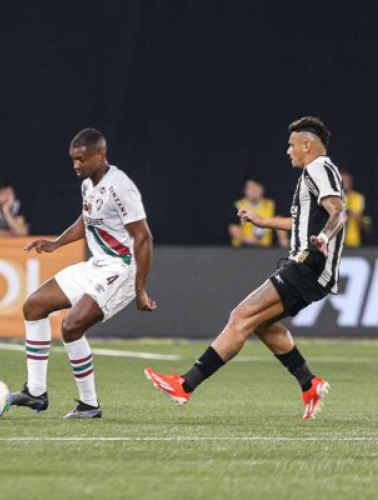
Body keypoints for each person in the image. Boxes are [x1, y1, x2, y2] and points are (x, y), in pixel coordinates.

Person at [145, 116, 346, 420]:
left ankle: (185, 385)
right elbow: (303, 222)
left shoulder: (318, 168)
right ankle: (310, 383)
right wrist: (263, 221)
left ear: (307, 144)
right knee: (262, 324)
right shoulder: (318, 171)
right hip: (308, 265)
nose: (287, 151)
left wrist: (324, 237)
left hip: (308, 264)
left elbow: (338, 212)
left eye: (291, 145)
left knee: (240, 317)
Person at [10, 128, 157, 419]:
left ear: (99, 155)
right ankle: (35, 392)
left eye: (81, 159)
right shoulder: (88, 184)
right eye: (72, 160)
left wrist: (140, 289)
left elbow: (143, 238)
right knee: (34, 306)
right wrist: (55, 244)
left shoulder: (121, 186)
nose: (76, 165)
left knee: (71, 326)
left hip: (121, 269)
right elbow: (86, 220)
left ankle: (89, 404)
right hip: (96, 265)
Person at [229, 177, 288, 248]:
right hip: (242, 249)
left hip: (265, 249)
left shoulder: (271, 204)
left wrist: (283, 239)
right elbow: (233, 228)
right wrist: (245, 240)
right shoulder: (238, 206)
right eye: (250, 188)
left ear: (262, 189)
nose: (253, 191)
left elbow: (279, 222)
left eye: (256, 188)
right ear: (245, 190)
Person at [341, 170, 371, 247]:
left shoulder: (359, 198)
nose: (345, 184)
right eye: (342, 181)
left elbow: (367, 224)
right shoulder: (332, 199)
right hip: (335, 245)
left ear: (351, 182)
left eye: (347, 181)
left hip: (353, 244)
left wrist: (358, 217)